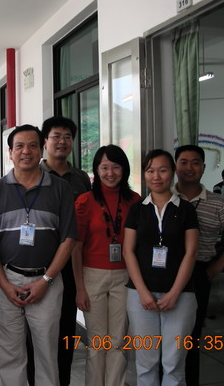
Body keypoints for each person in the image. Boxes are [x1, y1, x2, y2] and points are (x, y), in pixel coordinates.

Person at [0, 124, 77, 386]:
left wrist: (46, 280)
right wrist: (4, 284)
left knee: (47, 352)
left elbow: (69, 238)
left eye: (32, 145)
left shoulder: (59, 188)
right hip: (8, 279)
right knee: (10, 353)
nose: (26, 151)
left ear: (41, 149)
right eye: (19, 146)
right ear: (10, 153)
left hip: (47, 280)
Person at [123, 149, 199, 386]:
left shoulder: (186, 209)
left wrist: (175, 292)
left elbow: (191, 252)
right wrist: (142, 291)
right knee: (145, 362)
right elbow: (128, 251)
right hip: (140, 296)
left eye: (163, 170)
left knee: (174, 363)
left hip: (180, 296)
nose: (156, 176)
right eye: (150, 171)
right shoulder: (137, 209)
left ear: (173, 172)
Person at [25, 116, 91, 386]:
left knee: (65, 330)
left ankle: (62, 380)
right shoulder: (33, 174)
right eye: (56, 136)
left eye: (67, 137)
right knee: (36, 333)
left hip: (70, 267)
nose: (62, 142)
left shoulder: (81, 179)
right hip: (38, 265)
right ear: (45, 142)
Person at [172, 145, 224, 386]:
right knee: (163, 337)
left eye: (195, 162)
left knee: (191, 337)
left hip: (199, 274)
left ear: (202, 167)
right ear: (175, 166)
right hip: (165, 274)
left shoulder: (218, 203)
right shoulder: (163, 196)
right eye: (183, 162)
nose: (189, 167)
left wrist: (218, 266)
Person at [73, 145, 140, 386]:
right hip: (92, 276)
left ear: (124, 169)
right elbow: (76, 248)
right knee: (97, 342)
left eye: (116, 167)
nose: (110, 173)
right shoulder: (85, 201)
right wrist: (79, 288)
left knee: (118, 341)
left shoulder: (135, 201)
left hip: (125, 275)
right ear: (96, 170)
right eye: (104, 167)